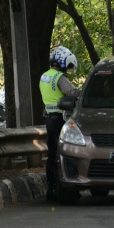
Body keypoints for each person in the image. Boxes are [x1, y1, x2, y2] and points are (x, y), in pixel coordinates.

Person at [39, 46, 81, 201]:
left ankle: (51, 188)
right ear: (62, 62)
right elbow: (73, 93)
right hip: (59, 119)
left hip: (48, 119)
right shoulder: (59, 78)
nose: (68, 70)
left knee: (51, 155)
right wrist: (84, 93)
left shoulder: (44, 76)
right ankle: (62, 187)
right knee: (62, 154)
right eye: (68, 66)